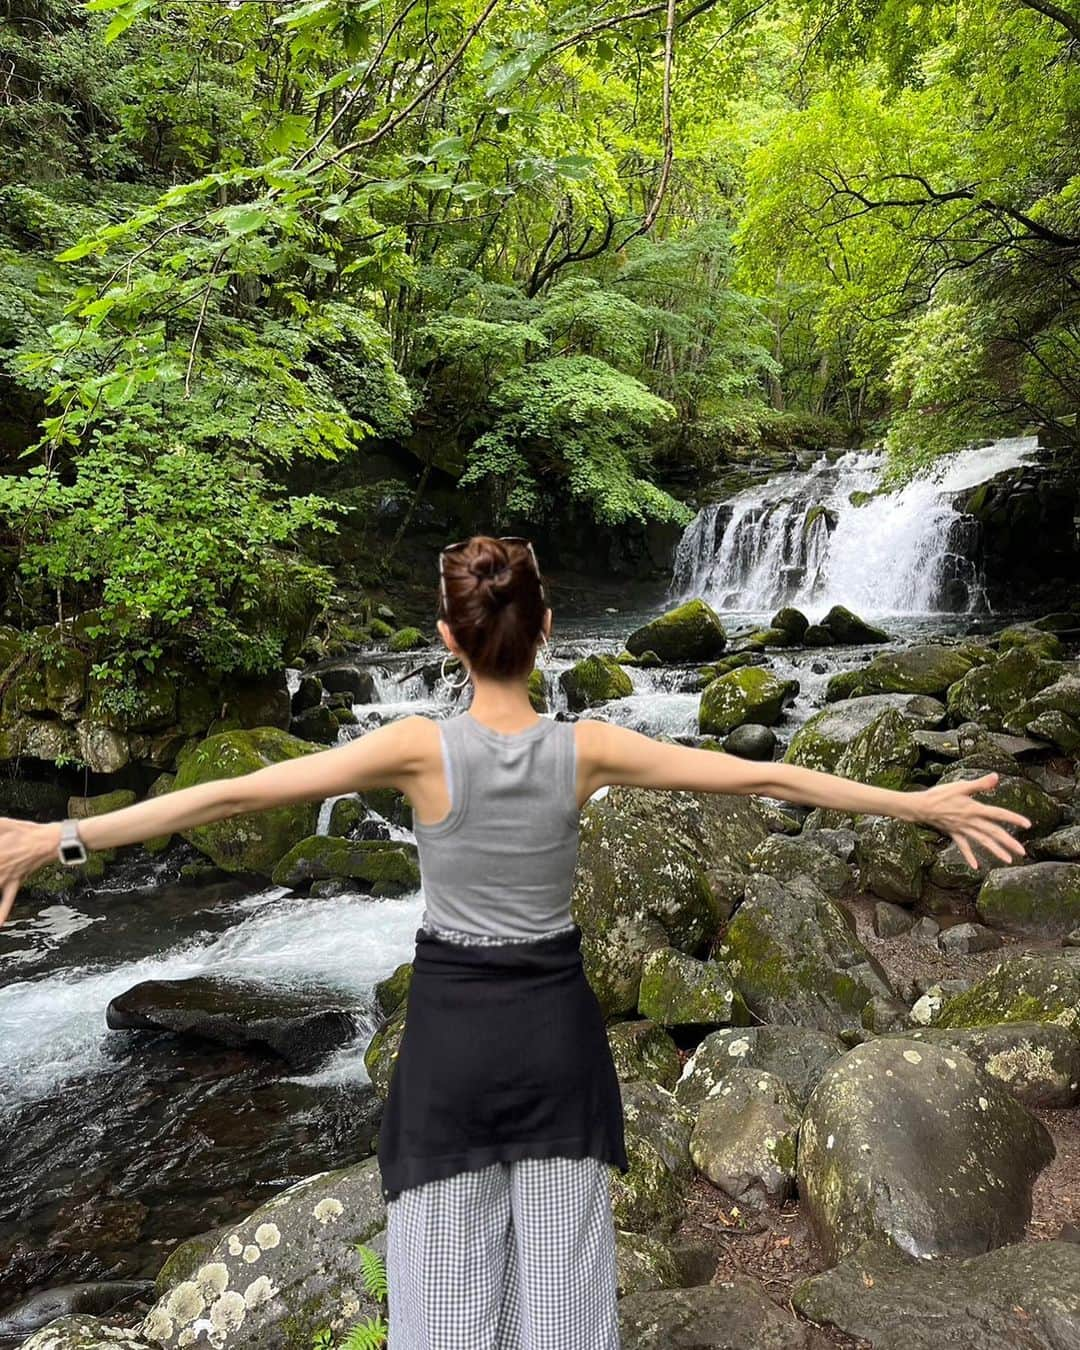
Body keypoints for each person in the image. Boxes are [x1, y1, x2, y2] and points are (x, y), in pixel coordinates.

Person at [0, 534, 1030, 1349]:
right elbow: (767, 778)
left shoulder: (413, 748)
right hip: (554, 1051)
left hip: (448, 1054)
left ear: (448, 640)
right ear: (546, 632)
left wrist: (63, 835)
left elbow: (233, 792)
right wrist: (917, 800)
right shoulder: (587, 749)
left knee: (444, 1313)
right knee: (564, 1311)